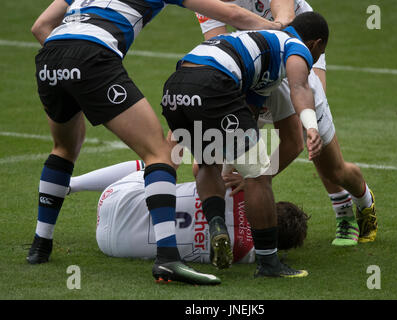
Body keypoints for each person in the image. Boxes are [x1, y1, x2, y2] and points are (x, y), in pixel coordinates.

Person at [27, 0, 283, 286]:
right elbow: (231, 13)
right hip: (91, 54)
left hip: (50, 57)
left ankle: (40, 245)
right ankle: (168, 258)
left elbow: (40, 27)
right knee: (160, 153)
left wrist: (67, 64)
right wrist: (276, 29)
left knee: (63, 148)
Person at [196, 0, 378, 246]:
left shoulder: (298, 60)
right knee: (207, 164)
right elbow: (219, 47)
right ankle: (229, 228)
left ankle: (353, 208)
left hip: (294, 47)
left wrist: (260, 175)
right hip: (251, 71)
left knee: (325, 159)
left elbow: (286, 20)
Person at [160, 12, 328, 278]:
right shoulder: (293, 45)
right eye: (318, 54)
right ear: (316, 45)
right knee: (258, 175)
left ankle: (217, 226)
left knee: (208, 162)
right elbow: (299, 85)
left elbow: (247, 109)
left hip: (174, 88)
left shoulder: (255, 46)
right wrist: (311, 126)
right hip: (212, 83)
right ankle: (269, 264)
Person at [67, 161, 309, 279]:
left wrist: (247, 179)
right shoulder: (247, 255)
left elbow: (198, 167)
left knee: (153, 162)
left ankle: (72, 184)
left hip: (113, 199)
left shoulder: (237, 187)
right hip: (113, 247)